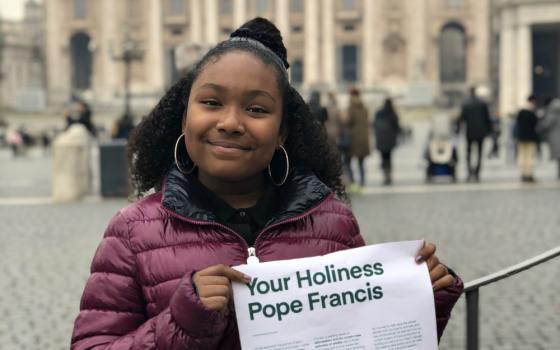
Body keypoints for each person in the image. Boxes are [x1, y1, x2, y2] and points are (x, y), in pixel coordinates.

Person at [71, 18, 463, 349]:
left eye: (256, 109)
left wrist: (420, 302)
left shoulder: (335, 224)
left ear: (282, 132)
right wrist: (181, 323)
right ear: (183, 116)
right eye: (211, 103)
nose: (230, 122)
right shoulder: (131, 232)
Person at [457, 87, 492, 182]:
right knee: (480, 153)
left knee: (468, 153)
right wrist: (490, 131)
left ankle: (469, 172)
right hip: (481, 132)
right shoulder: (482, 103)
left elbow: (461, 119)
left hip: (470, 132)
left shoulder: (466, 104)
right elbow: (487, 118)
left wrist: (458, 130)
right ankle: (477, 172)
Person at [346, 87, 371, 190]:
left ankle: (352, 181)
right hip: (364, 138)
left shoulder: (351, 108)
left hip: (354, 138)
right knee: (361, 163)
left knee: (347, 161)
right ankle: (362, 183)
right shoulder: (364, 107)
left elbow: (349, 122)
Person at [373, 98, 401, 185]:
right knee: (389, 157)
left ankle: (385, 174)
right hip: (390, 140)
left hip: (381, 139)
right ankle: (388, 175)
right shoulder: (393, 114)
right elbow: (397, 128)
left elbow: (374, 125)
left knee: (383, 157)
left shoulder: (378, 113)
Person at [516, 95, 540, 182]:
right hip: (531, 138)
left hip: (521, 137)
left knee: (522, 156)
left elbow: (517, 125)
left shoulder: (521, 112)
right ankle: (529, 174)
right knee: (530, 156)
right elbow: (536, 125)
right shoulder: (533, 113)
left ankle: (523, 174)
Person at [537, 98, 560, 180]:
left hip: (555, 138)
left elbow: (546, 125)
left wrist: (539, 124)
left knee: (558, 158)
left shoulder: (552, 114)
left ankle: (559, 174)